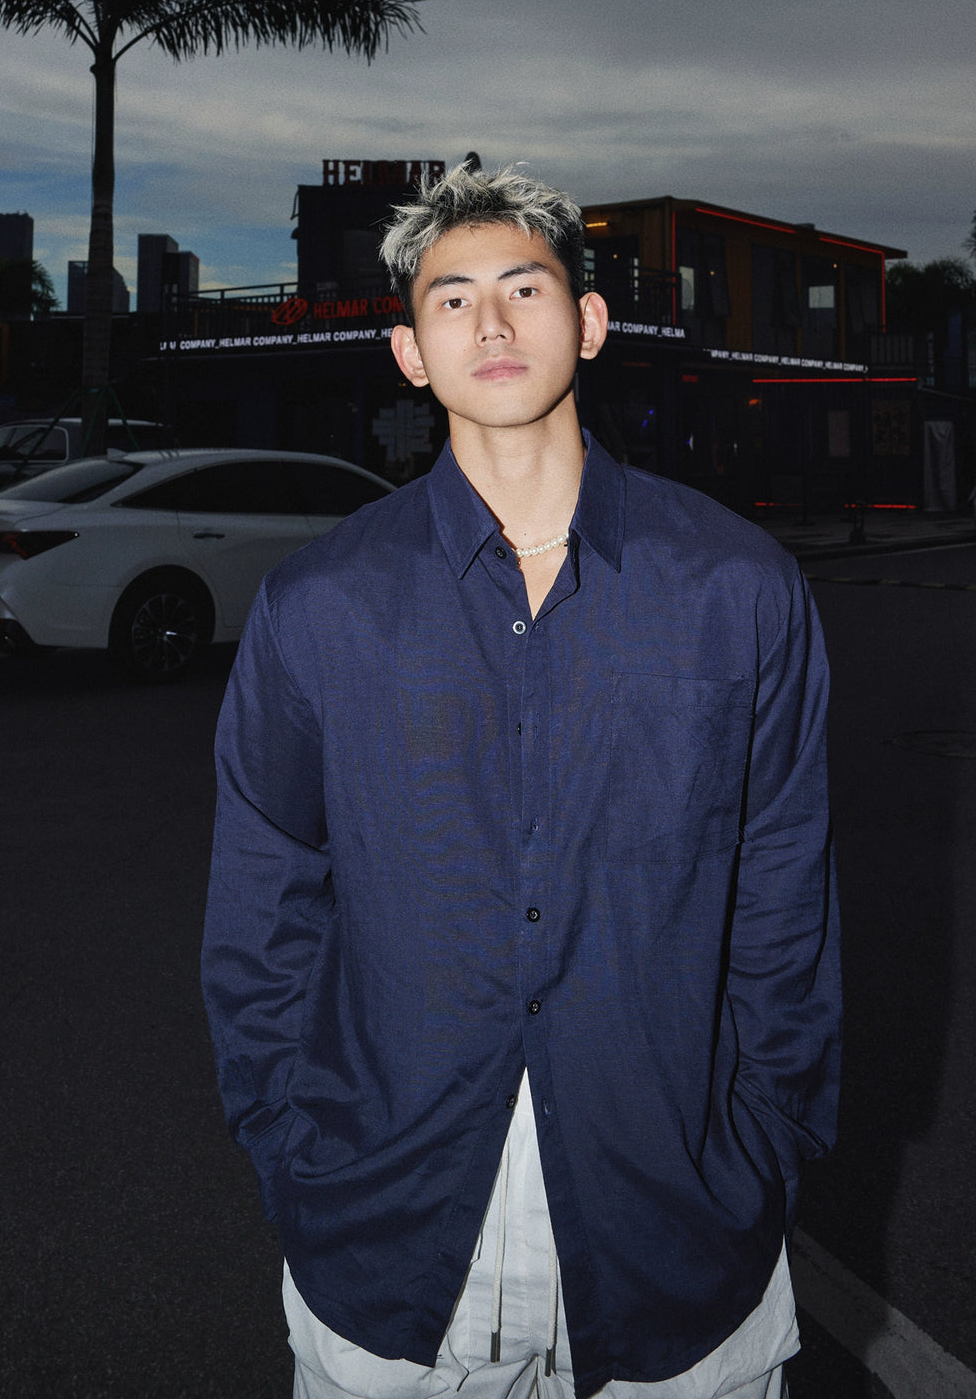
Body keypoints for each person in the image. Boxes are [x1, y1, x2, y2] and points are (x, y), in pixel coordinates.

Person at [202, 165, 840, 1399]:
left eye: (524, 288)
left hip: (680, 1239)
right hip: (389, 1234)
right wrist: (289, 1143)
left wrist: (766, 1145)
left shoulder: (737, 586)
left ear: (588, 322)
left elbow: (784, 895)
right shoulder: (320, 602)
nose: (489, 323)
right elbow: (263, 898)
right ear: (410, 353)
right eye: (451, 300)